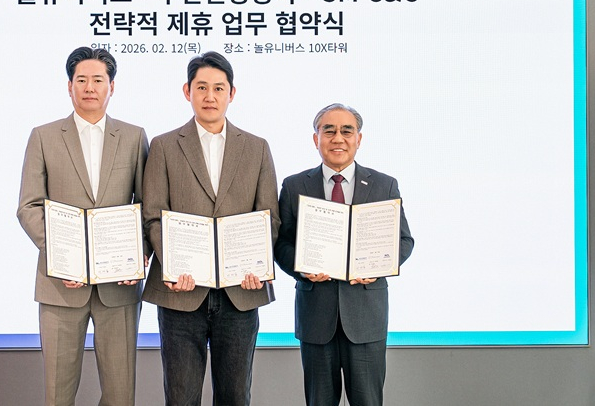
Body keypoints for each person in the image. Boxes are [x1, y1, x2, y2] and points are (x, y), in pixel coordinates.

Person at [141, 51, 280, 406]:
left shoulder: (257, 148)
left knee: (235, 396)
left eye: (219, 88)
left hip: (240, 292)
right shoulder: (164, 145)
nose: (210, 96)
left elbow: (269, 217)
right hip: (180, 292)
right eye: (201, 87)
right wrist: (173, 266)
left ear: (232, 93)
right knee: (181, 397)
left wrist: (257, 264)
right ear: (187, 91)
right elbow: (153, 215)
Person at [17, 46, 149, 406]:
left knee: (120, 395)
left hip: (118, 288)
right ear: (69, 86)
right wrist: (62, 256)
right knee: (58, 395)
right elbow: (29, 206)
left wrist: (139, 253)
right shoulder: (43, 136)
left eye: (98, 80)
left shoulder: (134, 137)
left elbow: (146, 206)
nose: (90, 87)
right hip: (60, 286)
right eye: (81, 80)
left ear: (112, 87)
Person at [274, 103, 414, 406]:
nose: (338, 138)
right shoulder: (294, 185)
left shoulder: (384, 185)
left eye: (346, 131)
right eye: (329, 131)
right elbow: (281, 244)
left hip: (366, 317)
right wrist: (301, 268)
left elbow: (404, 241)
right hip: (316, 317)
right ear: (316, 139)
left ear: (358, 139)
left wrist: (379, 265)